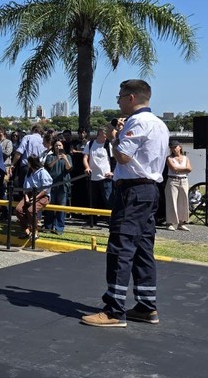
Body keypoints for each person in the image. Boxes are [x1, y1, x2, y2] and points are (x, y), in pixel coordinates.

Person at [82, 79, 169, 328]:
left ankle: (114, 309)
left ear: (131, 97)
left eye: (120, 96)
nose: (118, 101)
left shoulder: (138, 121)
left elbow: (122, 157)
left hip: (132, 191)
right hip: (150, 190)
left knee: (121, 246)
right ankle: (146, 305)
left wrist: (114, 137)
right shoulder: (160, 124)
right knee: (142, 249)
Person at [15, 156, 53, 238]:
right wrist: (26, 196)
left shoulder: (42, 172)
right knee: (18, 209)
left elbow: (46, 188)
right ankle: (26, 229)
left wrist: (36, 197)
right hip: (29, 194)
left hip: (42, 195)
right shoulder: (29, 172)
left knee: (30, 210)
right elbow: (25, 186)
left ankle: (35, 230)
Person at [83, 125, 115, 223]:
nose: (106, 135)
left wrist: (112, 172)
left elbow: (114, 159)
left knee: (108, 199)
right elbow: (85, 158)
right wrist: (87, 167)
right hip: (93, 177)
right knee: (93, 200)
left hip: (106, 176)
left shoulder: (108, 145)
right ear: (99, 132)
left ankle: (111, 219)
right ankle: (93, 219)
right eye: (104, 132)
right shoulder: (90, 143)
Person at [43, 138, 72, 234]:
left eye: (59, 145)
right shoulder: (50, 157)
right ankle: (48, 226)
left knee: (61, 207)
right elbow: (48, 166)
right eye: (56, 145)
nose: (58, 147)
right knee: (50, 207)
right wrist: (56, 159)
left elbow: (69, 168)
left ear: (63, 146)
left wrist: (65, 159)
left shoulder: (67, 156)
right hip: (51, 185)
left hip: (63, 185)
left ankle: (59, 228)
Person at [164, 140, 191, 231]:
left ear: (180, 147)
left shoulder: (185, 158)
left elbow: (189, 169)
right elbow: (174, 168)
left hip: (183, 180)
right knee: (172, 201)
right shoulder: (169, 158)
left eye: (175, 147)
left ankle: (181, 222)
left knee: (183, 201)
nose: (174, 149)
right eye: (172, 147)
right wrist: (183, 169)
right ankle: (169, 222)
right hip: (173, 180)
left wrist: (180, 169)